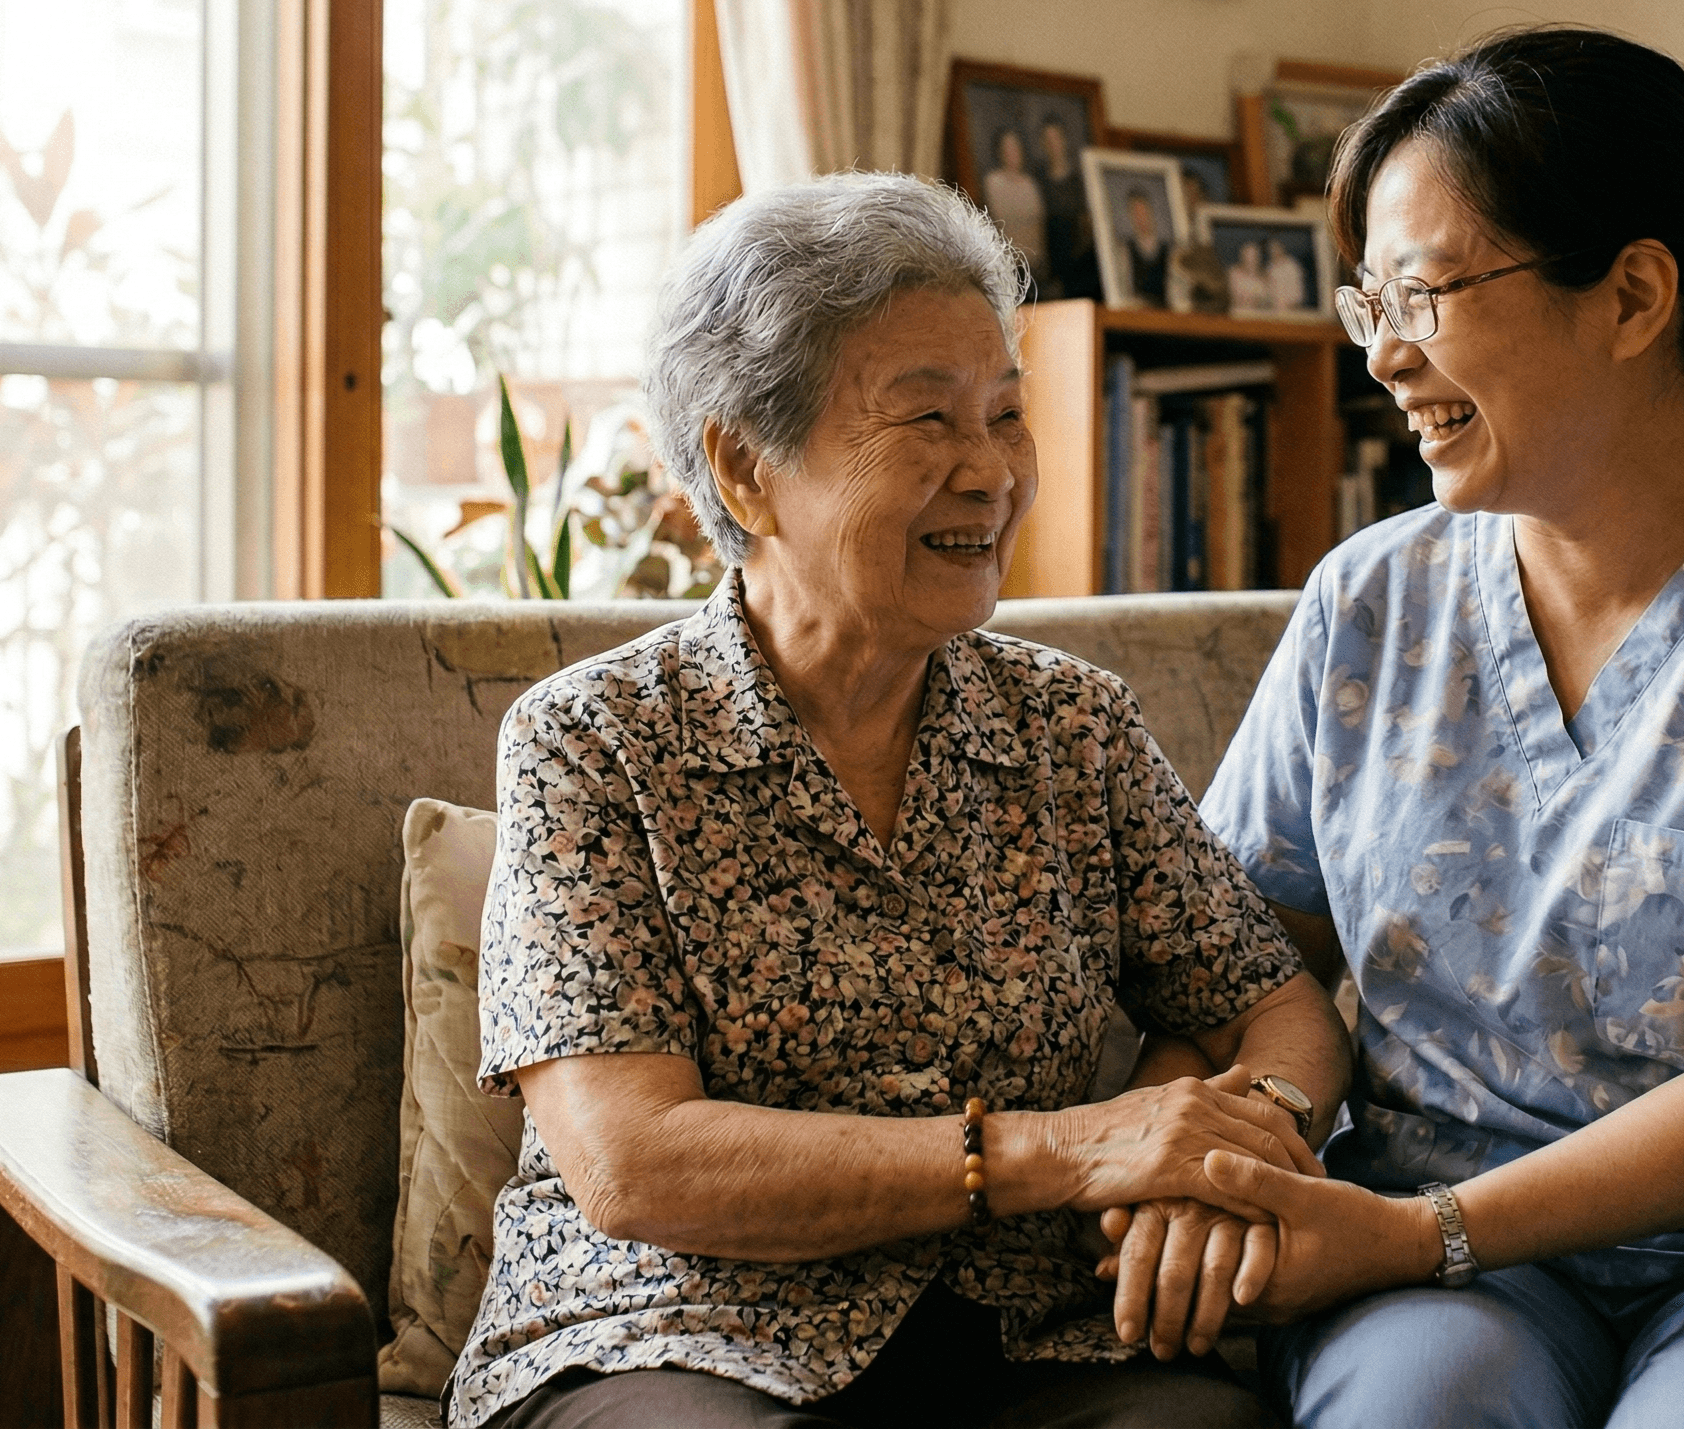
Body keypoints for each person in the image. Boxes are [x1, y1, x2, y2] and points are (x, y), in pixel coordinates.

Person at [1174, 27, 1684, 1428]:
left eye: (1424, 293)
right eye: (1366, 298)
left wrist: (1422, 1230)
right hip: (1437, 1271)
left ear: (1631, 296)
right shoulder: (1364, 604)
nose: (1381, 353)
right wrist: (1210, 1156)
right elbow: (1228, 966)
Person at [448, 173, 1352, 1429]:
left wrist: (1222, 1152)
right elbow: (630, 1162)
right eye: (925, 420)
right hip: (680, 1329)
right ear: (744, 467)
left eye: (1005, 415)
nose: (989, 474)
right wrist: (1067, 1148)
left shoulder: (1067, 727)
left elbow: (1275, 1004)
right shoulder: (594, 742)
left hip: (1026, 1332)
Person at [1037, 116, 1096, 299]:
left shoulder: (1079, 184)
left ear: (1064, 141)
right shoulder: (1038, 183)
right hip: (1047, 269)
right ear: (1042, 145)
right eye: (1048, 140)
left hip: (1078, 271)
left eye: (1056, 139)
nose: (1053, 145)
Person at [983, 126, 1049, 276]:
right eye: (1006, 148)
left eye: (1014, 147)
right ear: (999, 151)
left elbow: (1039, 226)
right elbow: (996, 222)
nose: (1011, 152)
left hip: (1035, 265)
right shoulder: (993, 182)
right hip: (1008, 267)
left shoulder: (1030, 183)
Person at [1120, 187, 1171, 306]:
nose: (1140, 218)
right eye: (1136, 213)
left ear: (1151, 212)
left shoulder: (1169, 250)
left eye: (1143, 212)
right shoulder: (1125, 250)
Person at [1228, 238, 1275, 314]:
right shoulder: (1234, 273)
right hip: (1238, 315)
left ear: (1258, 258)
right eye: (1248, 255)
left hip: (1259, 316)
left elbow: (1269, 300)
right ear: (1242, 256)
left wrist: (1258, 301)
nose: (1250, 259)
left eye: (1253, 255)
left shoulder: (1265, 277)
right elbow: (1233, 297)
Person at [1265, 237, 1311, 312]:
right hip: (1274, 309)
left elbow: (1298, 291)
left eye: (1276, 248)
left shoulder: (1292, 266)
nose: (1274, 251)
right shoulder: (1270, 267)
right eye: (1271, 249)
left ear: (1282, 248)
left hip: (1291, 308)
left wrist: (1293, 305)